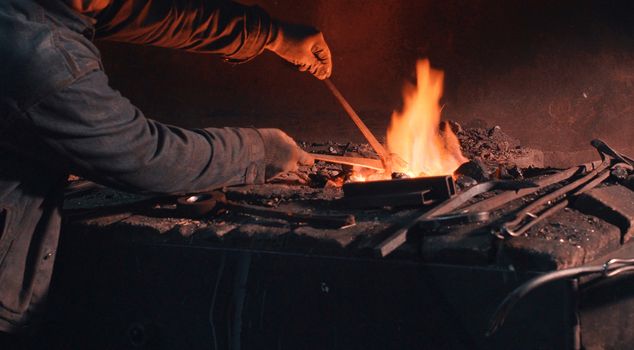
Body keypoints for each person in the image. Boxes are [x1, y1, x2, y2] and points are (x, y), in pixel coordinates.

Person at [0, 0, 332, 335]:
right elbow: (144, 156)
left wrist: (272, 36)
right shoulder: (40, 57)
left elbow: (153, 14)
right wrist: (260, 151)